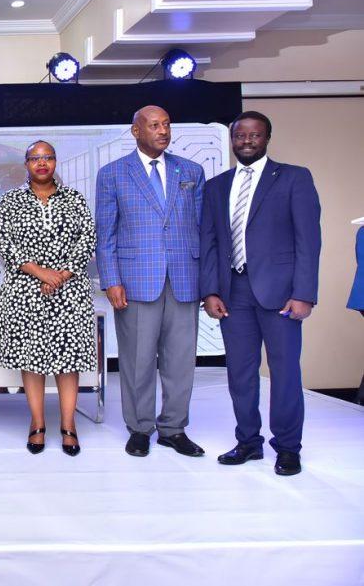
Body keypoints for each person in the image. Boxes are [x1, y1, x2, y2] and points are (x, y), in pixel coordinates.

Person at [200, 111, 321, 476]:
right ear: (232, 140)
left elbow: (309, 241)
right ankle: (248, 442)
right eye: (240, 136)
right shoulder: (217, 186)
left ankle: (287, 448)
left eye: (255, 135)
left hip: (281, 293)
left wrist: (304, 293)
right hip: (233, 292)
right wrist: (210, 291)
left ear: (267, 138)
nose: (247, 141)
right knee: (240, 373)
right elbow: (209, 242)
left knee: (284, 372)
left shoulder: (294, 178)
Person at [95, 105, 206, 458]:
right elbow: (106, 233)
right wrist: (111, 279)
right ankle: (140, 428)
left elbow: (202, 229)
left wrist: (208, 280)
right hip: (135, 280)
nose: (163, 131)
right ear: (136, 131)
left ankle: (173, 428)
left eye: (167, 125)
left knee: (180, 361)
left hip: (185, 278)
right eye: (155, 125)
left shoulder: (191, 170)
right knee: (137, 360)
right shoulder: (113, 174)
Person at [0, 141, 97, 456]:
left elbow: (87, 238)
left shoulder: (75, 200)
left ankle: (68, 426)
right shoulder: (10, 201)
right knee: (32, 360)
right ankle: (37, 424)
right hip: (27, 292)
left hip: (70, 292)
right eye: (35, 158)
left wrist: (61, 274)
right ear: (26, 163)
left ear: (55, 162)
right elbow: (2, 239)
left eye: (48, 158)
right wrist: (40, 272)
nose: (42, 163)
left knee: (68, 361)